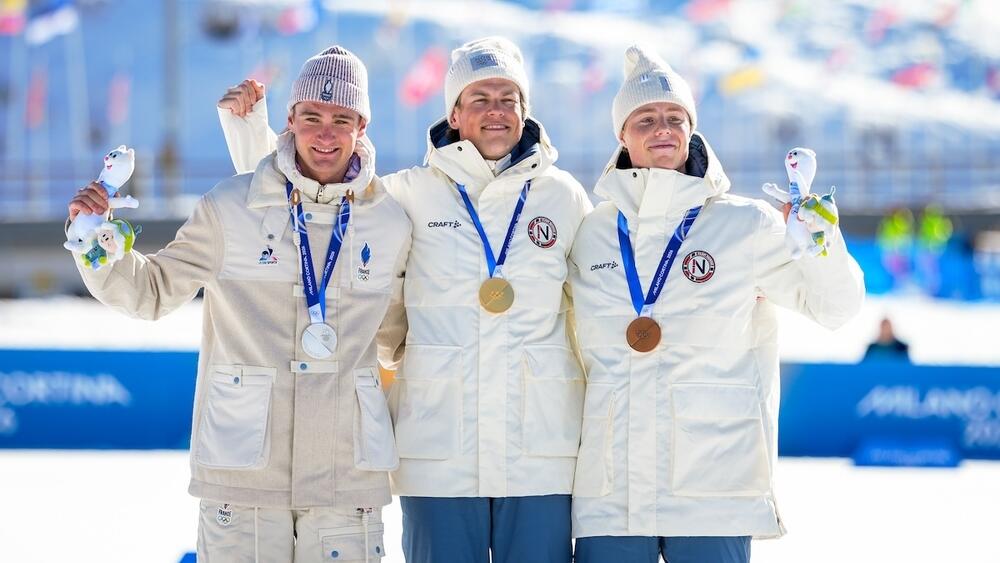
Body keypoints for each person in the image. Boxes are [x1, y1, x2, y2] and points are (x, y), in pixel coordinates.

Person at [217, 36, 593, 563]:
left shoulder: (564, 196)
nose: (495, 111)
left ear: (524, 112)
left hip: (543, 451)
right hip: (437, 451)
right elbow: (311, 205)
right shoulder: (406, 194)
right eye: (479, 98)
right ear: (454, 114)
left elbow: (605, 298)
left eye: (507, 99)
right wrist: (250, 137)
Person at [69, 46, 412, 563]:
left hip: (347, 477)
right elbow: (150, 292)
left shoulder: (389, 222)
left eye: (341, 119)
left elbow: (401, 341)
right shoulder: (230, 206)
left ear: (362, 126)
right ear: (290, 119)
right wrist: (95, 241)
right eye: (312, 117)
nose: (325, 133)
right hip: (245, 473)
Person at [567, 45, 865, 563]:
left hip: (715, 488)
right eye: (645, 119)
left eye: (674, 118)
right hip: (611, 492)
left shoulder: (745, 225)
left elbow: (835, 309)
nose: (662, 129)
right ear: (622, 135)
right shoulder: (591, 233)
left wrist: (821, 244)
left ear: (691, 129)